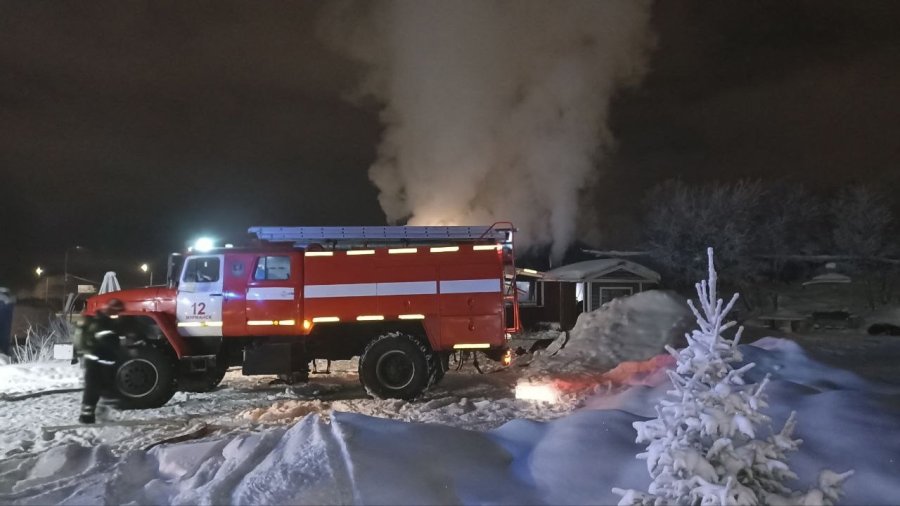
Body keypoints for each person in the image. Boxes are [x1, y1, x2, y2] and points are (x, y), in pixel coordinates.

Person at [74, 298, 126, 424]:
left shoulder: (103, 320)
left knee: (103, 389)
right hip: (96, 361)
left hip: (101, 360)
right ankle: (86, 417)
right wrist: (121, 347)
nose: (118, 315)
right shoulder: (103, 322)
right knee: (94, 389)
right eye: (118, 312)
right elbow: (109, 341)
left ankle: (96, 415)